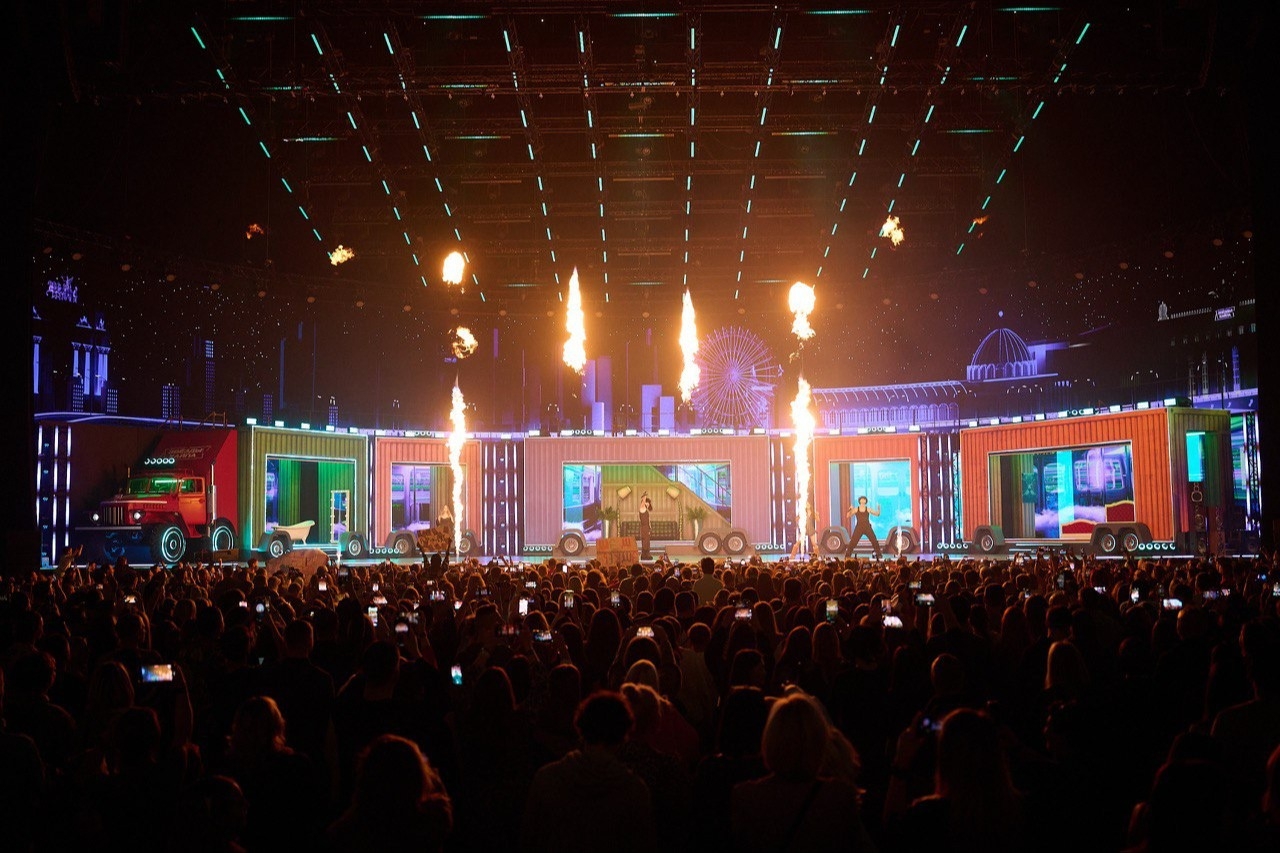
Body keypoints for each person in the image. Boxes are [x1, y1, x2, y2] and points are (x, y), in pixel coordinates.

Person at [843, 496, 881, 560]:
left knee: (874, 540)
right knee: (853, 541)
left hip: (867, 527)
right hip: (859, 527)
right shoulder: (856, 509)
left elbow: (877, 514)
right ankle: (847, 555)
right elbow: (848, 516)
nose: (863, 500)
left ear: (866, 501)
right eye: (861, 499)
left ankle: (879, 554)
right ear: (859, 501)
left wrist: (879, 508)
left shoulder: (868, 509)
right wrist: (850, 509)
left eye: (864, 499)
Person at [638, 492, 653, 561]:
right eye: (647, 502)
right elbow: (643, 503)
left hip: (646, 528)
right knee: (645, 542)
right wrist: (644, 497)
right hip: (644, 528)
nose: (648, 504)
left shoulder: (645, 510)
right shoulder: (642, 508)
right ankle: (645, 555)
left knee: (647, 541)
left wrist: (649, 528)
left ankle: (645, 555)